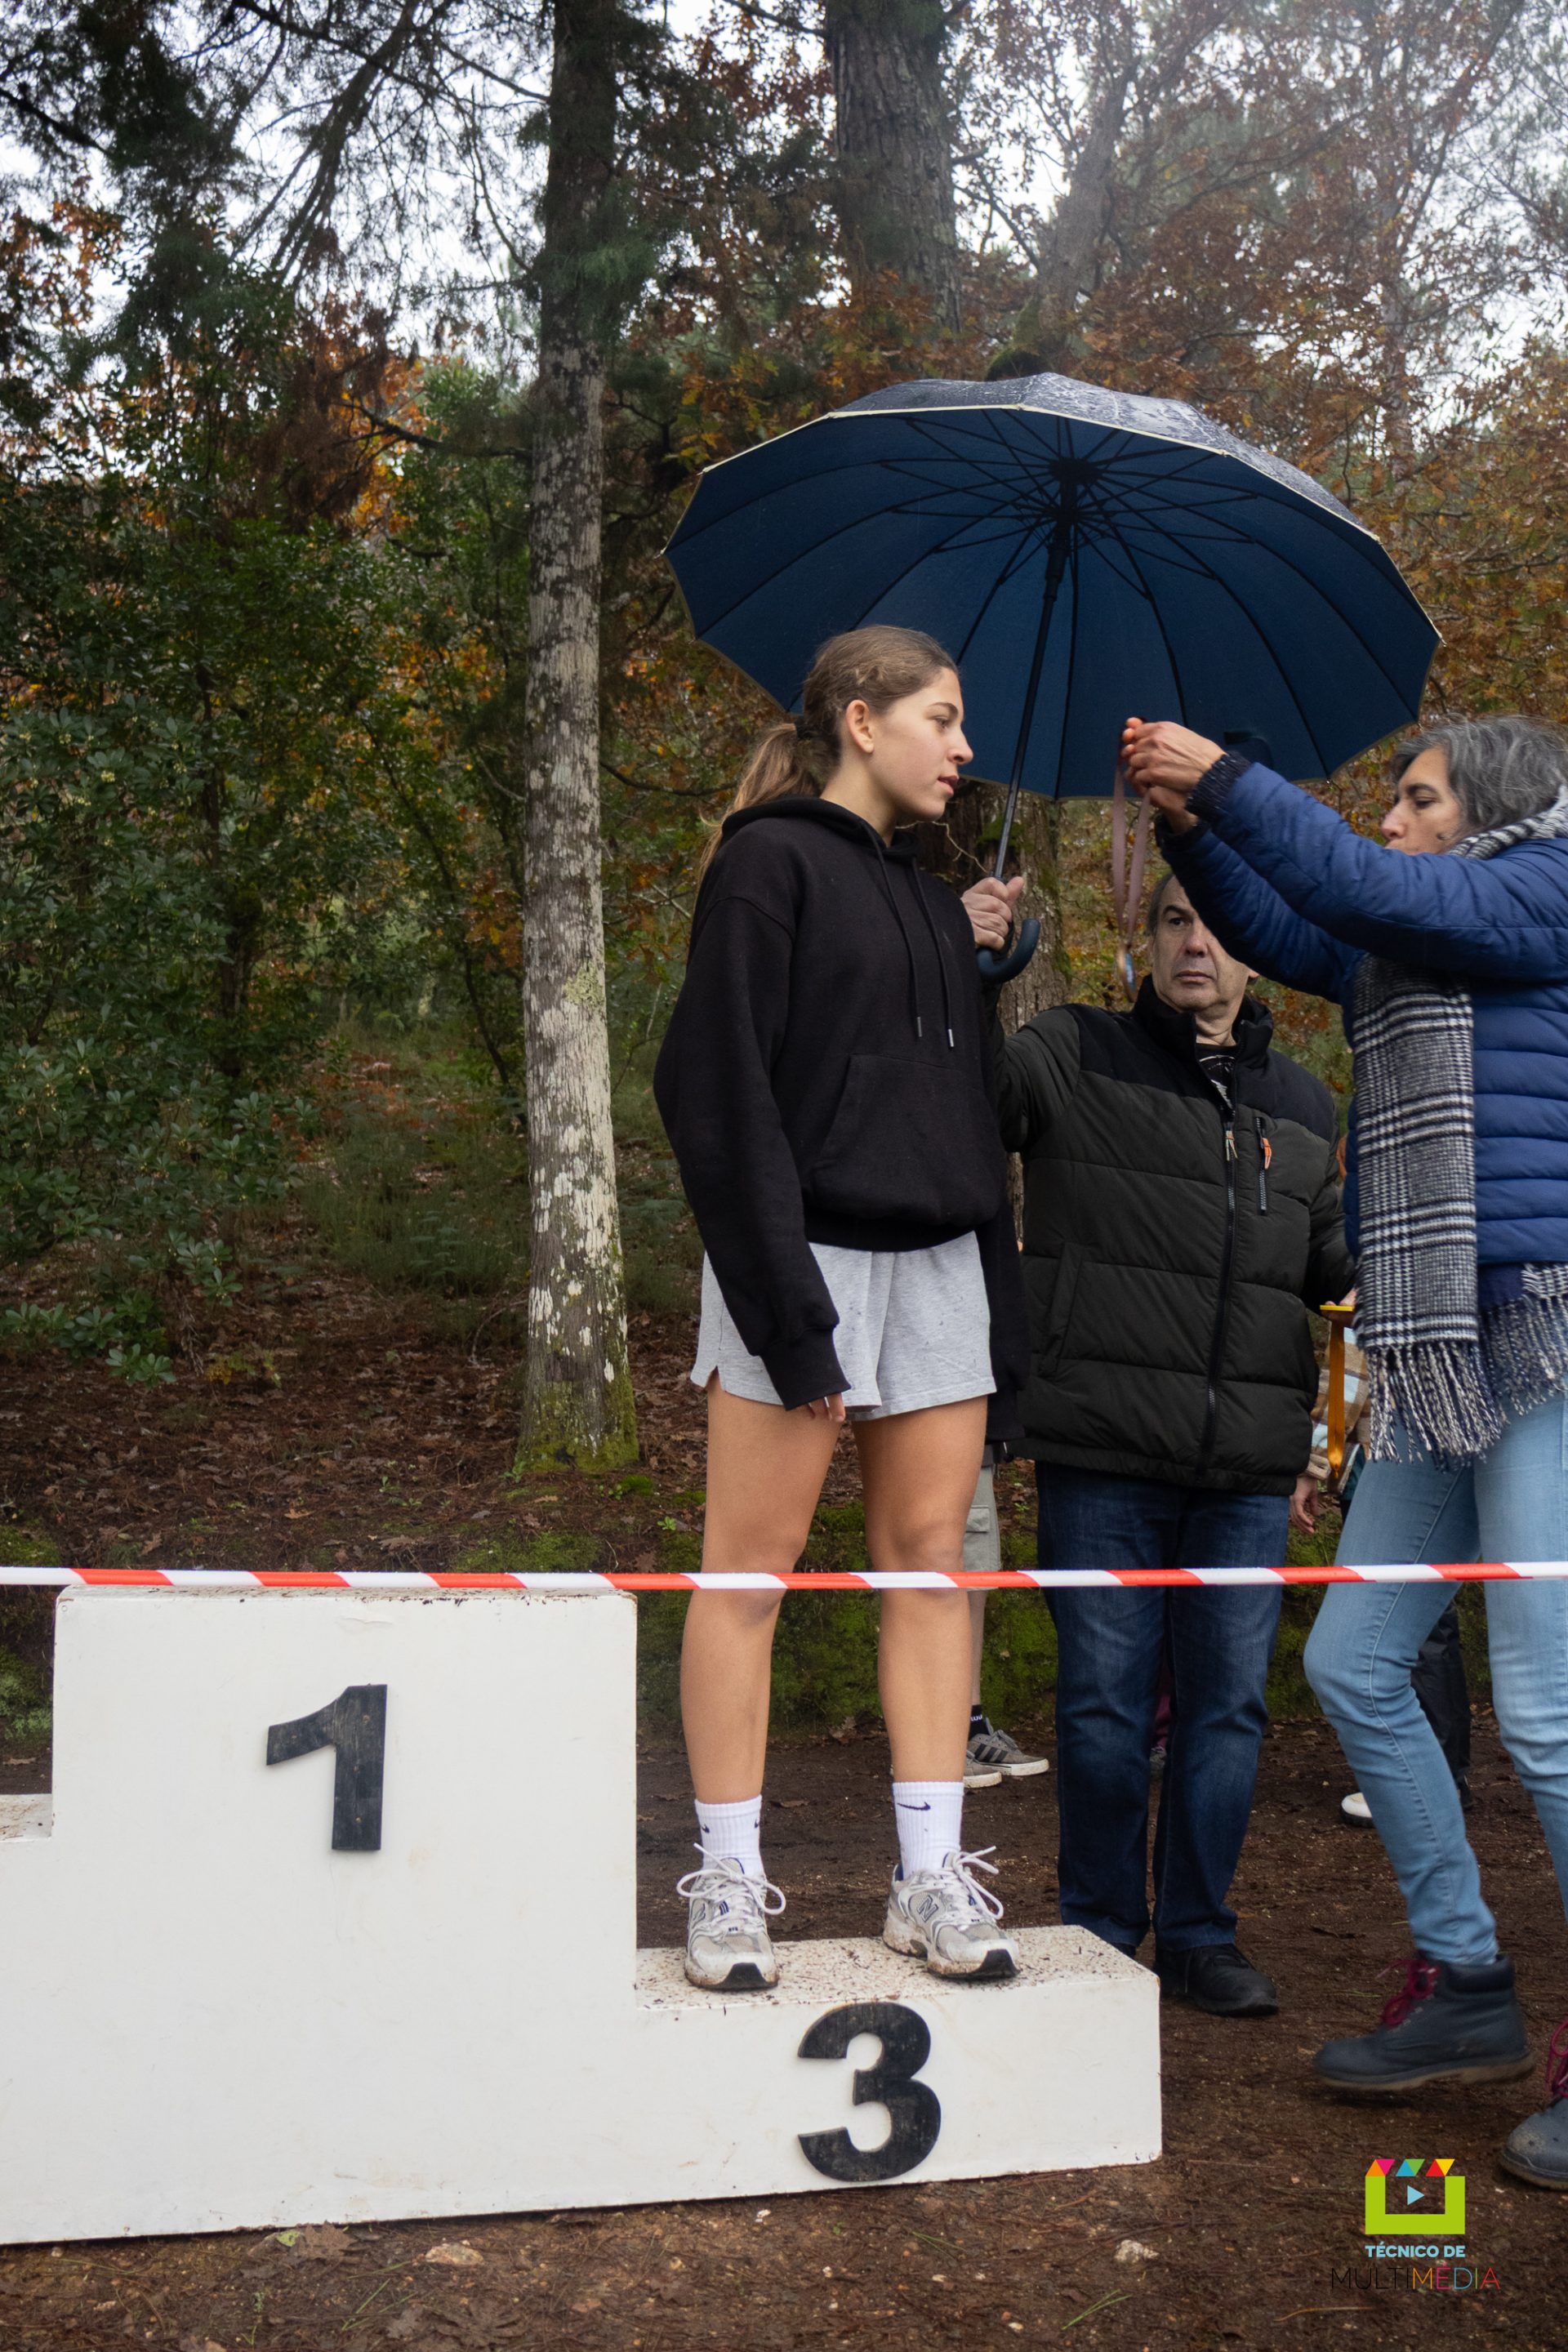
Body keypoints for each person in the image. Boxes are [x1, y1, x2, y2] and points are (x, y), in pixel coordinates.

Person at [1125, 710, 1568, 2189]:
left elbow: (1363, 888)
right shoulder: (1416, 940)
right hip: (1439, 1343)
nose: (1390, 820)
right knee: (1358, 1663)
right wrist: (1190, 825)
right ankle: (1468, 1983)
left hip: (1548, 1333)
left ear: (1490, 811)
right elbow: (1297, 920)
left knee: (1547, 1714)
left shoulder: (1546, 887)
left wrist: (1229, 776)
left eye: (1416, 798)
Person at [653, 626, 1030, 1994]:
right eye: (943, 717)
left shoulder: (931, 901)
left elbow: (965, 1121)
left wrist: (1004, 1320)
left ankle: (930, 1877)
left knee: (932, 1567)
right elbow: (713, 1093)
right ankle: (728, 1880)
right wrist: (788, 1313)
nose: (964, 747)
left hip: (938, 1271)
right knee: (747, 1573)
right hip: (798, 1260)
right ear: (861, 721)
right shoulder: (765, 865)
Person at [964, 865, 1353, 2015]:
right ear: (1147, 939)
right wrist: (972, 977)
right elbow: (969, 1103)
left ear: (1254, 952)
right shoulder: (1074, 1050)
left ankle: (1196, 1935)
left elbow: (1334, 1266)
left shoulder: (1307, 1102)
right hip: (1103, 1450)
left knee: (1228, 1712)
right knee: (1101, 1710)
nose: (1198, 944)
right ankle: (1097, 1932)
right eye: (1177, 921)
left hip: (1246, 1467)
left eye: (1220, 927)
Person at [962, 1459, 1050, 1787]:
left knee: (974, 1575)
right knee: (929, 1579)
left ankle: (971, 1728)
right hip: (929, 1440)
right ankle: (928, 1742)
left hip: (979, 1445)